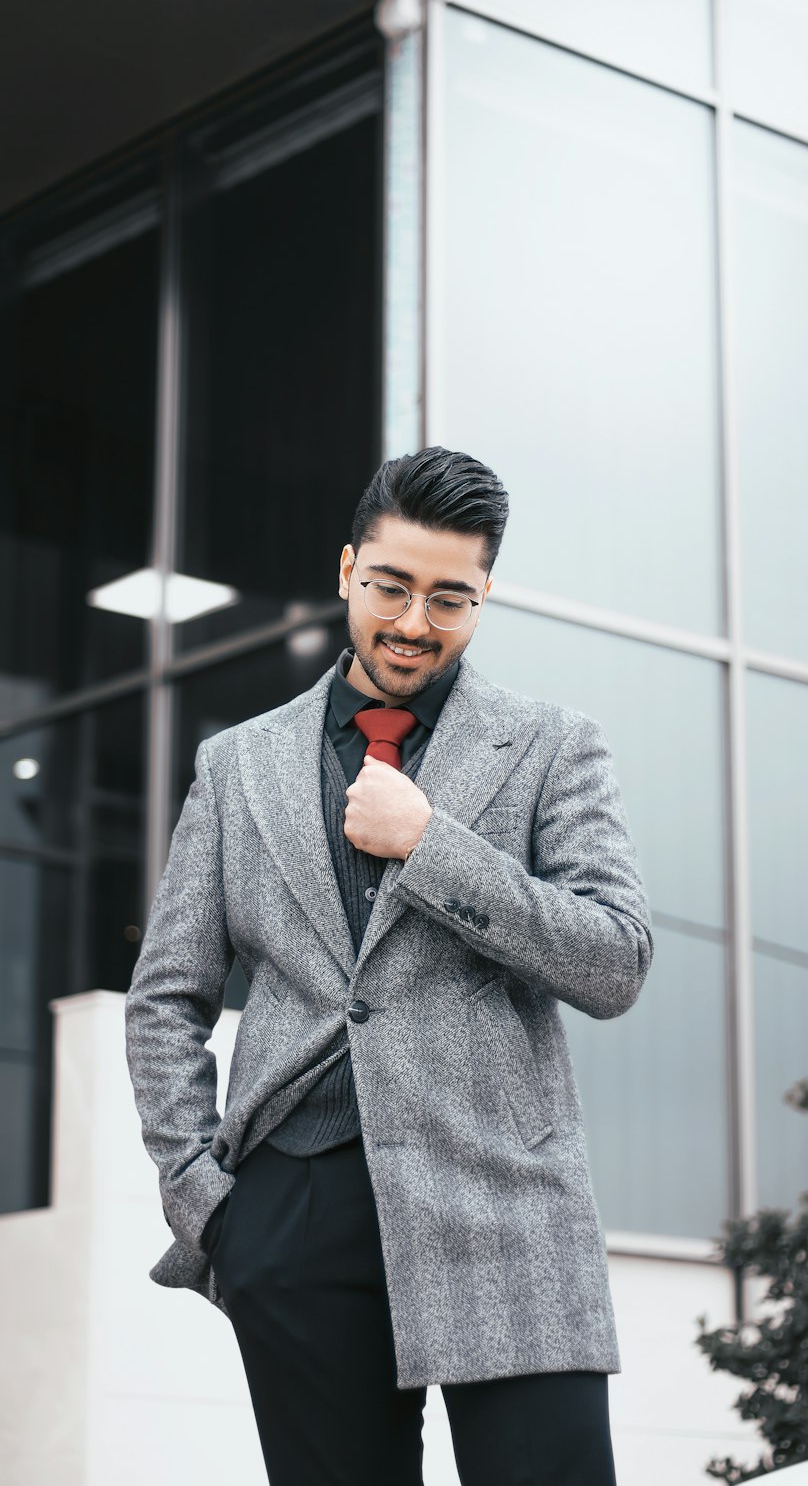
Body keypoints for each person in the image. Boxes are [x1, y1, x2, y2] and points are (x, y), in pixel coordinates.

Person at [124, 445, 653, 1485]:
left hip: (506, 1199)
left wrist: (433, 843)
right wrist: (208, 1201)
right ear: (346, 570)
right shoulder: (238, 765)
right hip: (293, 1213)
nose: (414, 622)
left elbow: (614, 961)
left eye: (449, 598)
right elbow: (164, 998)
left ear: (484, 594)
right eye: (391, 586)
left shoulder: (552, 746)